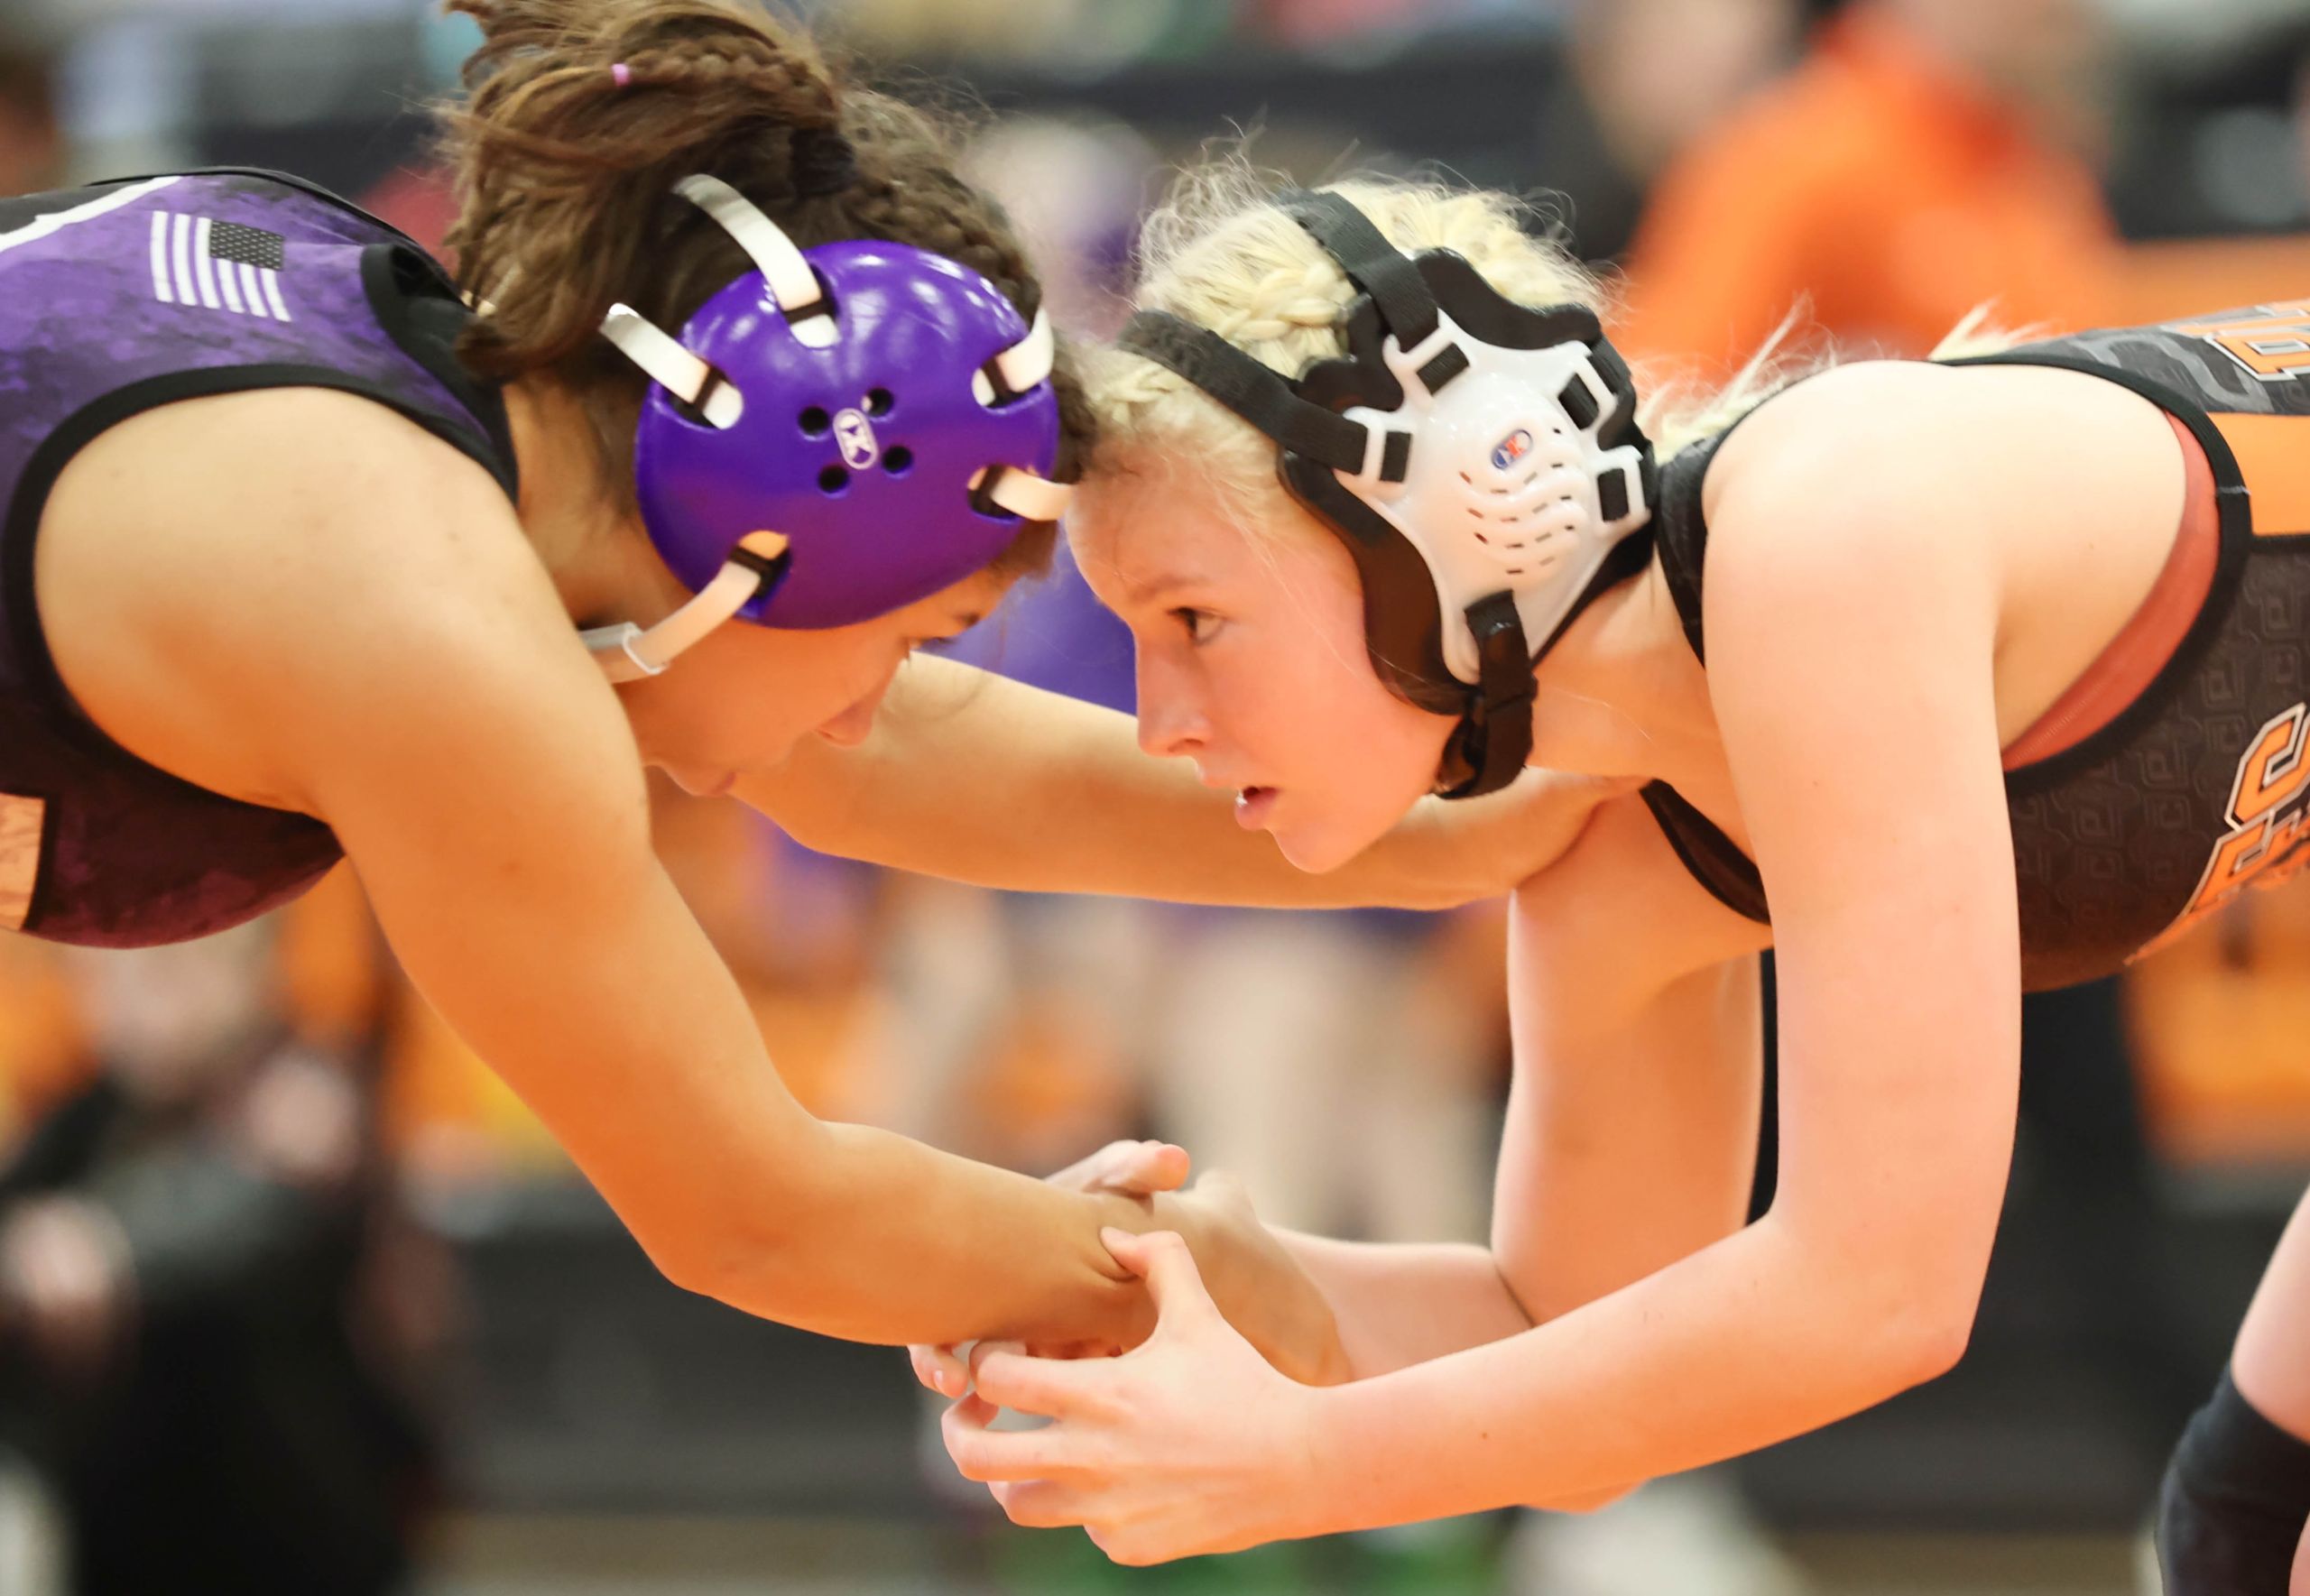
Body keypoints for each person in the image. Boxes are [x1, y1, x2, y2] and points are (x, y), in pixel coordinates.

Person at [0, 0, 1609, 1380]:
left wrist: (1449, 826)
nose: (866, 703)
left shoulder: (393, 372)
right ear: (787, 513)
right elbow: (753, 1213)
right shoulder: (425, 620)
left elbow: (885, 758)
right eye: (912, 635)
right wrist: (1210, 1284)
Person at [912, 168, 2310, 1593]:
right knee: (2242, 1541)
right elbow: (1566, 1352)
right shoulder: (1621, 860)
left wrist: (1305, 1461)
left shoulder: (1823, 533)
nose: (1158, 722)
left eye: (1195, 619)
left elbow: (1883, 1291)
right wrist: (1240, 1281)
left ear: (1455, 506)